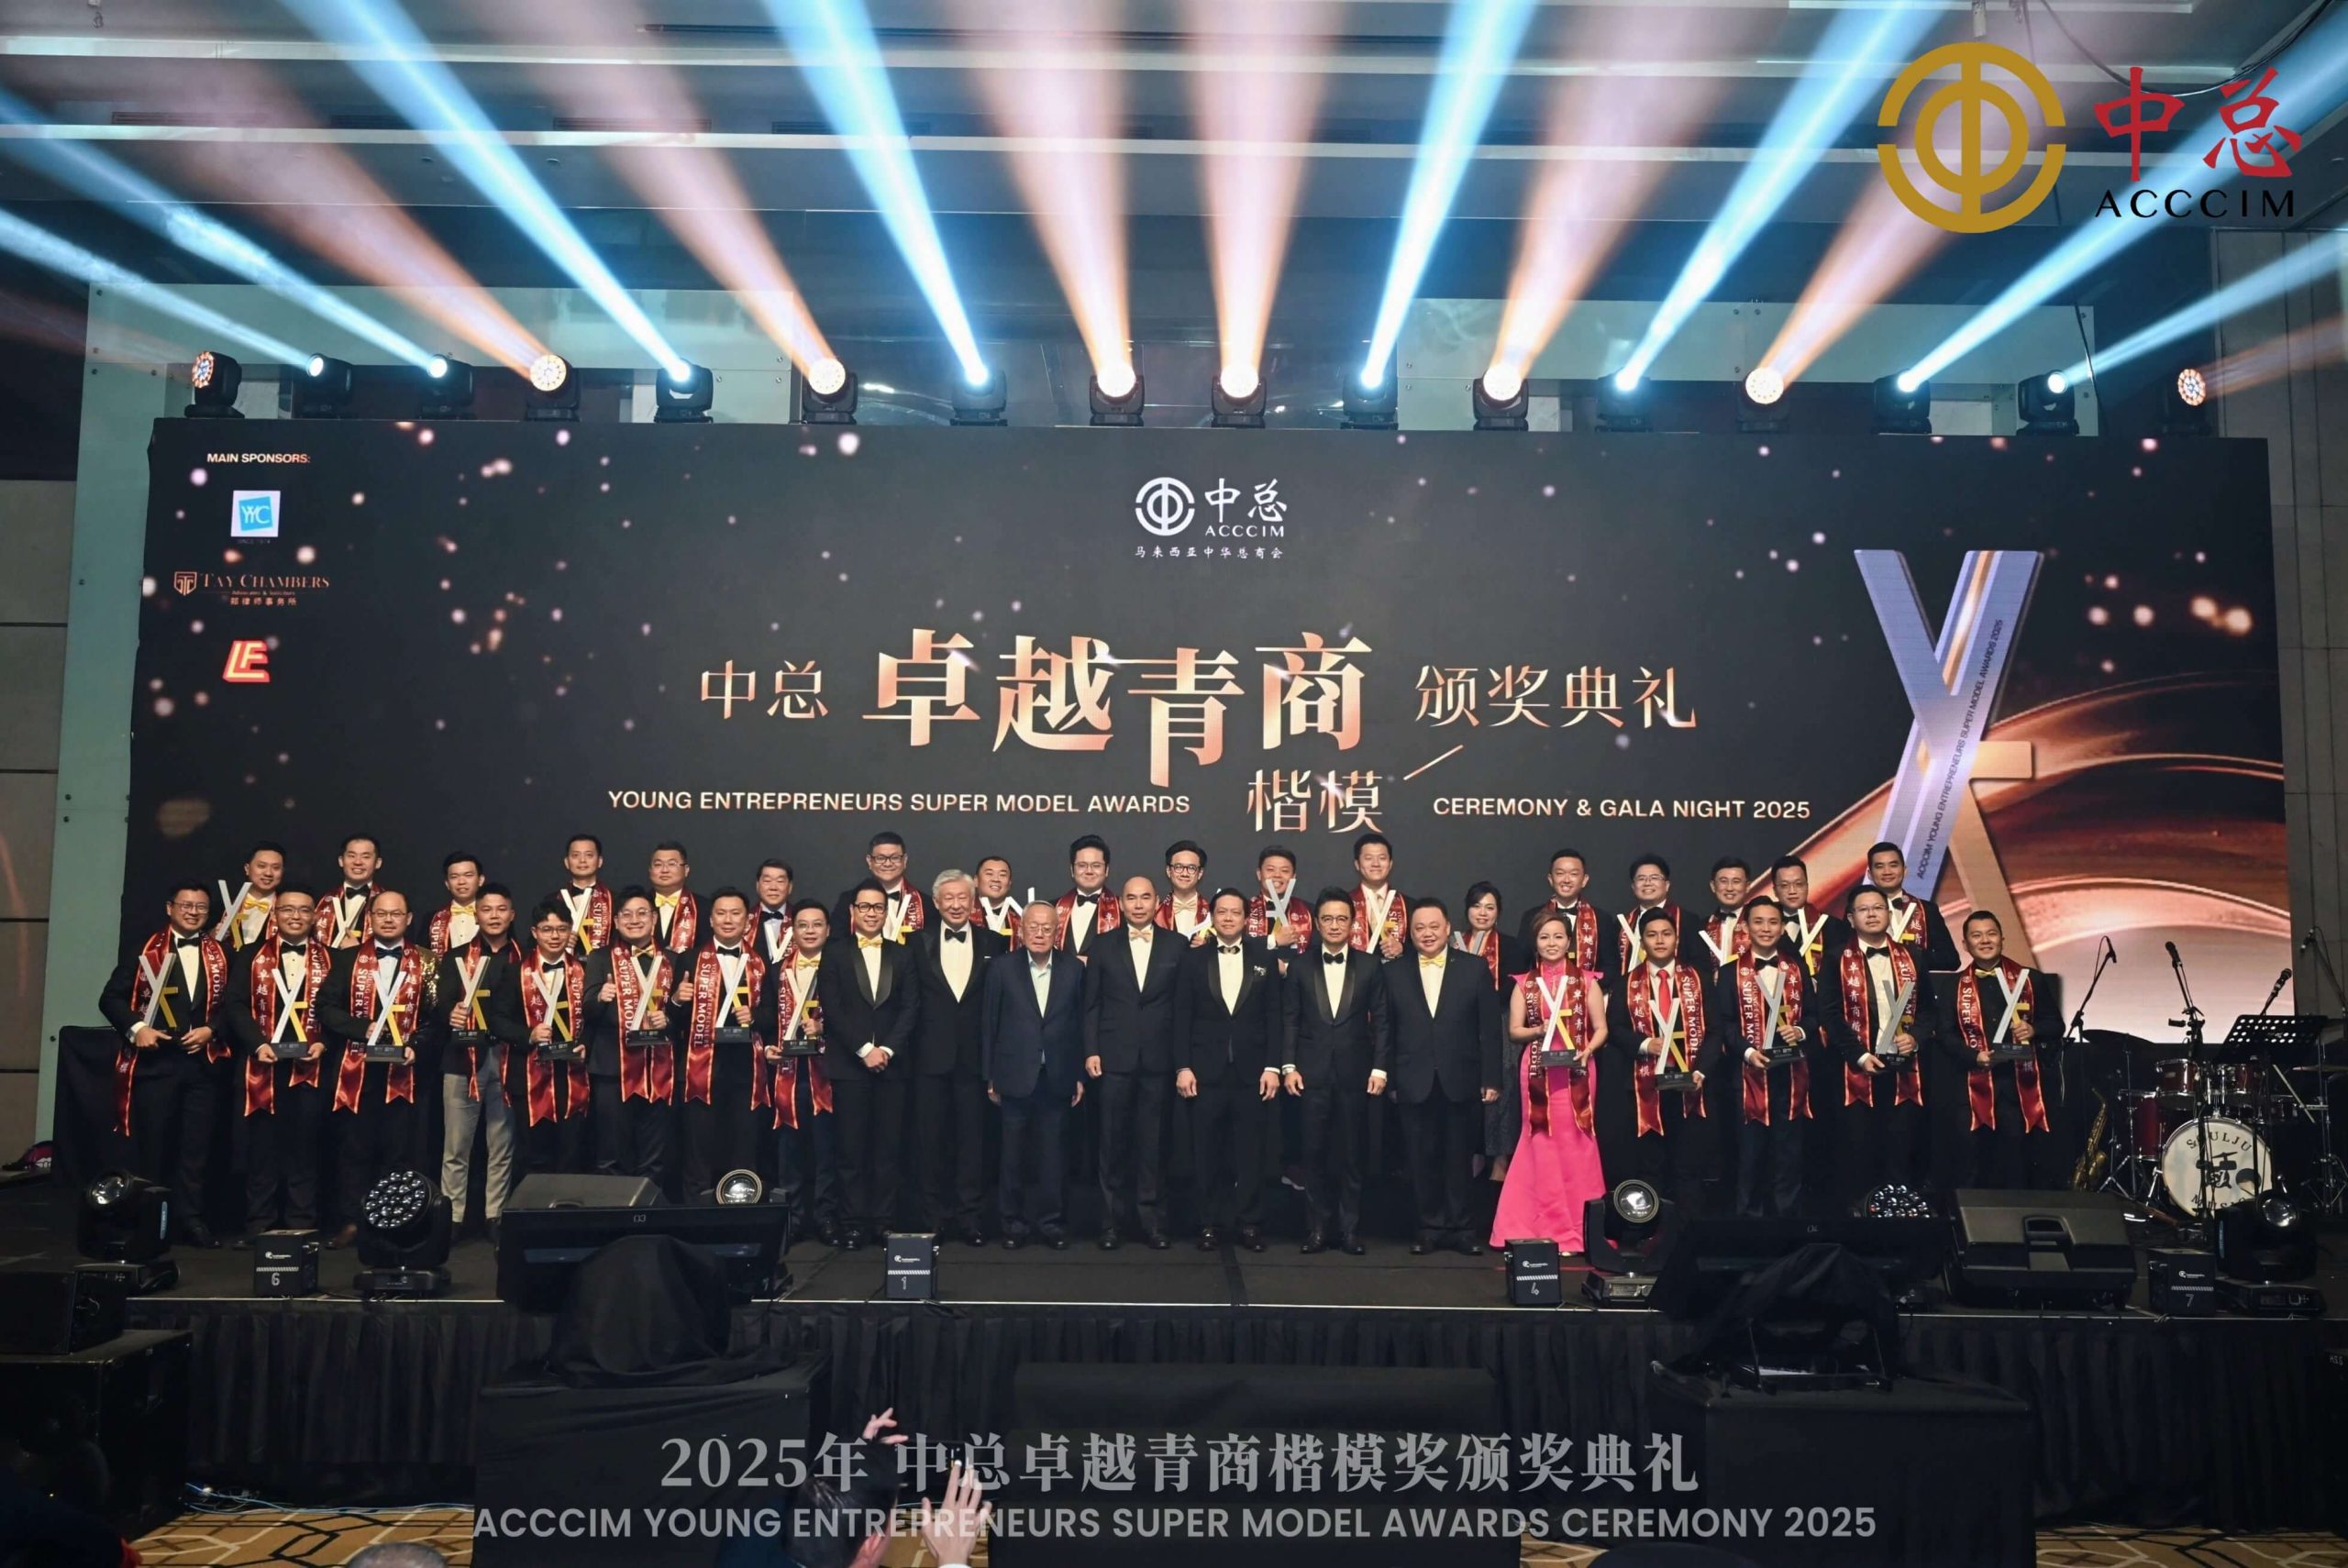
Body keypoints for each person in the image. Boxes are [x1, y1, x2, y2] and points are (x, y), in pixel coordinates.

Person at [97, 881, 232, 1245]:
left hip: (202, 1065)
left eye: (201, 907)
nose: (193, 912)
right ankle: (150, 1221)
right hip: (156, 1065)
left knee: (197, 1150)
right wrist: (137, 1028)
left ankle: (192, 1220)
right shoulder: (144, 949)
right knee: (154, 1147)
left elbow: (235, 1005)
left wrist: (212, 1030)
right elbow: (111, 999)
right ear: (169, 908)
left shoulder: (222, 953)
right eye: (186, 905)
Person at [1378, 899, 1502, 1255]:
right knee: (1420, 1159)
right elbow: (1386, 1030)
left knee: (1460, 1159)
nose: (1427, 934)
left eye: (1434, 926)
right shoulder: (1394, 972)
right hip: (1412, 1080)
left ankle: (1462, 1228)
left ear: (1448, 928)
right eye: (1419, 928)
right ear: (1410, 933)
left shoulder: (1475, 968)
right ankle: (1428, 1228)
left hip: (1462, 1078)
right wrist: (1390, 1078)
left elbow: (1489, 1029)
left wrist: (1492, 1079)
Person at [1490, 910, 1610, 1253]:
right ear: (1535, 943)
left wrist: (1588, 1050)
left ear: (1569, 941)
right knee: (1540, 1141)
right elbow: (1515, 1032)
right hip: (1538, 1070)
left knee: (1577, 1143)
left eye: (1558, 937)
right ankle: (1534, 1226)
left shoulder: (1587, 981)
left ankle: (1579, 1231)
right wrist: (1537, 1030)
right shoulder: (1524, 983)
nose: (1552, 943)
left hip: (1578, 1070)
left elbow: (1601, 1028)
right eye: (1544, 937)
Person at [1173, 889, 1281, 1251]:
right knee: (1205, 1153)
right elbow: (1182, 1017)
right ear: (1212, 916)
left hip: (1253, 1073)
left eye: (1236, 912)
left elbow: (1275, 1017)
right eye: (1222, 912)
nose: (1229, 918)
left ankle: (1250, 1224)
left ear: (1246, 918)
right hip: (1205, 1072)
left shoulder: (1265, 957)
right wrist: (1183, 1066)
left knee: (1251, 1152)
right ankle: (1208, 1223)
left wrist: (1273, 1066)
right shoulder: (1192, 960)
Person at [317, 889, 425, 1245]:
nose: (389, 920)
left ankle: (394, 1222)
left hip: (405, 1073)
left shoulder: (426, 962)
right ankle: (352, 1220)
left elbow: (437, 1017)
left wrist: (415, 1045)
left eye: (396, 914)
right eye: (381, 914)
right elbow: (326, 1007)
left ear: (409, 919)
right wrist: (361, 1028)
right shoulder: (347, 960)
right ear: (370, 918)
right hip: (357, 1070)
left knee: (399, 1151)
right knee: (354, 1149)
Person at [819, 878, 921, 1246]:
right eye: (864, 907)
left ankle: (883, 1221)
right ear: (852, 911)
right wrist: (864, 1049)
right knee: (850, 1151)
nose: (872, 913)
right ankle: (853, 1223)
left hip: (893, 1067)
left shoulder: (903, 954)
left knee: (888, 1150)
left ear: (887, 911)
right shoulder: (834, 953)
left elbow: (911, 1008)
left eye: (878, 907)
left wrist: (887, 1050)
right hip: (850, 1066)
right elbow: (833, 1009)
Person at [1084, 875, 1183, 1249]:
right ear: (1121, 904)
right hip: (1113, 1058)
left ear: (1157, 902)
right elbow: (1091, 1004)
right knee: (1111, 1145)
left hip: (1159, 1058)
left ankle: (1152, 1223)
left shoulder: (1177, 945)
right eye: (1131, 898)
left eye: (1145, 898)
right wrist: (1091, 1050)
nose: (1138, 904)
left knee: (1154, 1145)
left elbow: (1183, 1007)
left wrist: (1181, 1061)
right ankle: (1110, 1225)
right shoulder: (1102, 945)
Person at [225, 884, 330, 1234]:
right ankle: (260, 1224)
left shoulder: (332, 959)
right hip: (262, 1065)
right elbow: (235, 1005)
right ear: (275, 914)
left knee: (306, 1148)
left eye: (303, 910)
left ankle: (302, 1225)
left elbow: (339, 1010)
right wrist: (257, 1044)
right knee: (261, 1150)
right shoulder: (250, 955)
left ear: (314, 916)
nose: (295, 916)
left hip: (311, 1067)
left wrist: (323, 1043)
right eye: (287, 909)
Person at [1284, 889, 1385, 1253]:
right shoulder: (1299, 966)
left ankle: (1349, 1231)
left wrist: (1380, 1068)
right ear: (1316, 922)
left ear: (1353, 923)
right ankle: (1317, 1230)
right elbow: (1290, 1019)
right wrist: (1289, 1066)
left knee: (1353, 1156)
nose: (1335, 925)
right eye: (1327, 918)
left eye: (1342, 918)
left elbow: (1383, 1022)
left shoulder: (1370, 965)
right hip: (1310, 1075)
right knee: (1312, 1155)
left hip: (1356, 1074)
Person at [908, 870, 1007, 1243]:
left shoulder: (994, 942)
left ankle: (970, 1219)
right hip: (928, 1059)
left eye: (962, 897)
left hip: (975, 1060)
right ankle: (933, 1218)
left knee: (973, 1144)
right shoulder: (915, 944)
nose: (955, 904)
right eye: (947, 898)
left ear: (973, 901)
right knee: (930, 1143)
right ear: (936, 903)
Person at [982, 900, 1087, 1249]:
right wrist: (990, 1075)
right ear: (1021, 930)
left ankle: (1052, 1224)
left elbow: (1080, 1024)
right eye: (1033, 927)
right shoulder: (1001, 968)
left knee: (1053, 1158)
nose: (1040, 933)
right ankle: (1012, 1226)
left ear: (1057, 932)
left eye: (1047, 928)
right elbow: (989, 1023)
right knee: (1012, 1158)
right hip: (1013, 1075)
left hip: (1058, 1075)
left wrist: (1079, 1074)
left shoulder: (1074, 969)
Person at [1713, 898, 1820, 1217]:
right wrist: (1747, 1052)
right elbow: (1724, 1023)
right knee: (1749, 1152)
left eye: (1773, 922)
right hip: (1748, 1074)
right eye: (1758, 922)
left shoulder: (1797, 968)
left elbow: (1814, 1016)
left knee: (1789, 1152)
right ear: (1746, 927)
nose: (1766, 928)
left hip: (1792, 1074)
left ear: (1783, 927)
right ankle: (1749, 1221)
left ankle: (1787, 1219)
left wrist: (1799, 1031)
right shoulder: (1729, 972)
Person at [1825, 887, 1934, 1198]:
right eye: (1863, 909)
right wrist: (1859, 1056)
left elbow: (1929, 1010)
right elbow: (1830, 1014)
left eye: (1878, 908)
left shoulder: (1913, 956)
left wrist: (1915, 1037)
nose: (1872, 914)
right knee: (1859, 1149)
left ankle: (1899, 1213)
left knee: (1901, 1147)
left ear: (1888, 914)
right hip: (1856, 1069)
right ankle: (1862, 1214)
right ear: (1850, 918)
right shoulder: (1835, 958)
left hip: (1905, 1068)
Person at [1939, 911, 2061, 1188]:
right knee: (1972, 1163)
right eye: (1976, 935)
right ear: (1965, 944)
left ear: (2002, 939)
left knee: (2017, 1163)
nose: (1985, 940)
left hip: (2019, 1086)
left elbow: (2056, 1024)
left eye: (1991, 934)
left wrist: (2034, 1030)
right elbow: (1944, 1034)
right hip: (1971, 1086)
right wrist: (1974, 1057)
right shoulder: (1953, 985)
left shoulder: (2030, 979)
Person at [672, 888, 776, 1200]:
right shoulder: (689, 959)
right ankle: (695, 1215)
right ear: (710, 919)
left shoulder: (762, 961)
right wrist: (677, 1000)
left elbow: (774, 1015)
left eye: (735, 913)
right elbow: (672, 1021)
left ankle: (741, 1210)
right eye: (721, 913)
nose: (728, 920)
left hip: (746, 1070)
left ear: (747, 920)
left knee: (743, 1149)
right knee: (698, 1151)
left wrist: (755, 1016)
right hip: (700, 1068)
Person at [1607, 908, 1712, 1214]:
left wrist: (1701, 1071)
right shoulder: (1627, 983)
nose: (1660, 940)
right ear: (1642, 941)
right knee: (1649, 1165)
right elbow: (1615, 1029)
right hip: (1646, 1086)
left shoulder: (1699, 979)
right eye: (1652, 935)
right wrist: (1644, 1044)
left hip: (1690, 1086)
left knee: (1687, 1166)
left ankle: (1688, 1228)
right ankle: (1649, 1227)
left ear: (1676, 938)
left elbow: (1716, 1031)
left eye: (1666, 934)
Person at [433, 883, 524, 1229]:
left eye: (501, 909)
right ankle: (452, 1218)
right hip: (462, 1058)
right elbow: (440, 1005)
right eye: (487, 909)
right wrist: (451, 1014)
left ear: (512, 915)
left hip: (508, 1058)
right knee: (456, 1146)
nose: (494, 916)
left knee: (501, 1144)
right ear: (476, 914)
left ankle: (494, 1216)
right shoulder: (456, 956)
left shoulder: (524, 958)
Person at [493, 899, 593, 1178]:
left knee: (571, 1156)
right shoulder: (515, 971)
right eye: (547, 929)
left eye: (561, 929)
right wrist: (529, 1034)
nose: (555, 936)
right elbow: (497, 1020)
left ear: (570, 931)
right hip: (529, 1075)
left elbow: (595, 1019)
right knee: (533, 1158)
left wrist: (586, 1043)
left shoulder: (585, 970)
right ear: (535, 932)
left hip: (571, 1076)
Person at [586, 888, 679, 1190]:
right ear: (616, 921)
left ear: (654, 918)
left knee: (656, 1153)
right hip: (612, 1068)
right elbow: (586, 1011)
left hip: (658, 1067)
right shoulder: (600, 958)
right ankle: (614, 1211)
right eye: (626, 914)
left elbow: (685, 1015)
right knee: (612, 1151)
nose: (634, 920)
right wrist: (600, 997)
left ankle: (649, 1209)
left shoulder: (672, 960)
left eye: (642, 913)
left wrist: (669, 1017)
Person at [768, 900, 842, 1245]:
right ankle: (794, 1219)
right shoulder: (777, 971)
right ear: (792, 931)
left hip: (827, 1073)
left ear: (828, 930)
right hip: (789, 1071)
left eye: (817, 925)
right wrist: (767, 1047)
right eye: (803, 925)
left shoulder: (841, 966)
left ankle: (826, 1217)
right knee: (790, 1151)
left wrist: (824, 1027)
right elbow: (765, 1017)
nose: (810, 931)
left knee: (828, 1150)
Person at [1456, 881, 1531, 1182]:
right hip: (1460, 1026)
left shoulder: (1513, 947)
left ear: (1498, 912)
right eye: (1477, 906)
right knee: (1466, 1088)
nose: (1483, 913)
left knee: (1504, 1091)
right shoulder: (1453, 944)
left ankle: (1500, 1158)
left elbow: (1517, 991)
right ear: (1467, 910)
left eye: (1490, 907)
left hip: (1501, 1023)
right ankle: (1473, 1154)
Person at [1862, 841, 1959, 973]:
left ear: (1905, 870)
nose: (1887, 872)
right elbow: (1845, 956)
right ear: (1870, 874)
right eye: (1879, 867)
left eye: (1893, 865)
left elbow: (1951, 960)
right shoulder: (1857, 911)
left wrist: (1911, 956)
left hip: (1915, 984)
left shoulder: (1927, 910)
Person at [1518, 847, 1611, 983]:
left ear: (1584, 880)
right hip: (1541, 992)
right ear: (1550, 879)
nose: (1566, 880)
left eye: (1574, 874)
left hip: (1588, 992)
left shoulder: (1601, 919)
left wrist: (1587, 987)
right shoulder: (1532, 917)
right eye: (1560, 873)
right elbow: (1521, 964)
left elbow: (1610, 967)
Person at [835, 831, 926, 942]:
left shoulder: (925, 904)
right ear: (869, 861)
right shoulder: (848, 901)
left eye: (895, 858)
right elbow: (836, 945)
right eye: (880, 858)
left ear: (905, 860)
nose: (888, 864)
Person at [1615, 855, 1684, 977]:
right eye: (1641, 878)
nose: (1647, 883)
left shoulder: (1687, 921)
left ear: (1667, 885)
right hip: (1630, 986)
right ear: (1633, 886)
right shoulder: (1621, 924)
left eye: (1654, 878)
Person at [1246, 844, 1314, 958]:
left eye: (1285, 871)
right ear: (1259, 874)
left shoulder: (1310, 912)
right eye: (1270, 870)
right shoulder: (1244, 910)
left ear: (1293, 877)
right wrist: (1273, 940)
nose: (1277, 875)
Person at [1690, 857, 1751, 980]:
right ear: (1713, 886)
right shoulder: (1700, 927)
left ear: (1747, 886)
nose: (1729, 888)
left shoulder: (1760, 925)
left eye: (1736, 881)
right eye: (1723, 881)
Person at [217, 840, 284, 952]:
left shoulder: (288, 909)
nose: (268, 873)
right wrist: (213, 935)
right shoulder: (222, 905)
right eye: (261, 866)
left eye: (276, 868)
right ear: (247, 869)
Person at [1053, 834, 1113, 957]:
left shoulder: (1123, 911)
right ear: (1072, 870)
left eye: (1096, 865)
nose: (1089, 871)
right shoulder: (1052, 909)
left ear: (1106, 870)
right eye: (1082, 865)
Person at [319, 833, 382, 949]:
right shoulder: (320, 901)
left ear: (378, 863)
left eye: (365, 857)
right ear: (341, 861)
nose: (358, 862)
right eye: (351, 856)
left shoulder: (389, 903)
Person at [1350, 832, 1408, 959]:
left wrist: (1403, 948)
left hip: (1395, 971)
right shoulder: (1344, 904)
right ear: (1357, 864)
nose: (1376, 864)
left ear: (1390, 864)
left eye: (1382, 858)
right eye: (1368, 858)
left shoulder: (1408, 906)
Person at [558, 833, 614, 953]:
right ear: (567, 862)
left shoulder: (615, 901)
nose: (582, 860)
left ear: (600, 861)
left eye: (589, 855)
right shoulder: (554, 900)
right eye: (575, 855)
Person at [426, 851, 485, 957]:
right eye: (454, 877)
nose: (461, 882)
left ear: (480, 880)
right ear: (447, 884)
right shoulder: (432, 919)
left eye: (468, 875)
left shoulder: (493, 915)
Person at [648, 840, 702, 955]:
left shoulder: (704, 907)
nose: (664, 870)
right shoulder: (637, 905)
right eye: (658, 864)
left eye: (672, 864)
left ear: (686, 870)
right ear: (650, 870)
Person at [1157, 840, 1213, 943]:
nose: (1184, 873)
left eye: (1191, 868)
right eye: (1178, 867)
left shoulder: (1213, 914)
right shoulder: (1155, 914)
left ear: (1200, 873)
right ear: (1168, 871)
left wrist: (1207, 948)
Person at [752, 858, 797, 964]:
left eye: (780, 881)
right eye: (767, 881)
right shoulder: (744, 920)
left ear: (790, 887)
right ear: (757, 885)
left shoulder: (800, 919)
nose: (773, 887)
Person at [974, 855, 1022, 937]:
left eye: (1002, 875)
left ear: (1009, 883)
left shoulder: (1020, 918)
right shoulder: (963, 914)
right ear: (976, 880)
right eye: (989, 874)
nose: (996, 879)